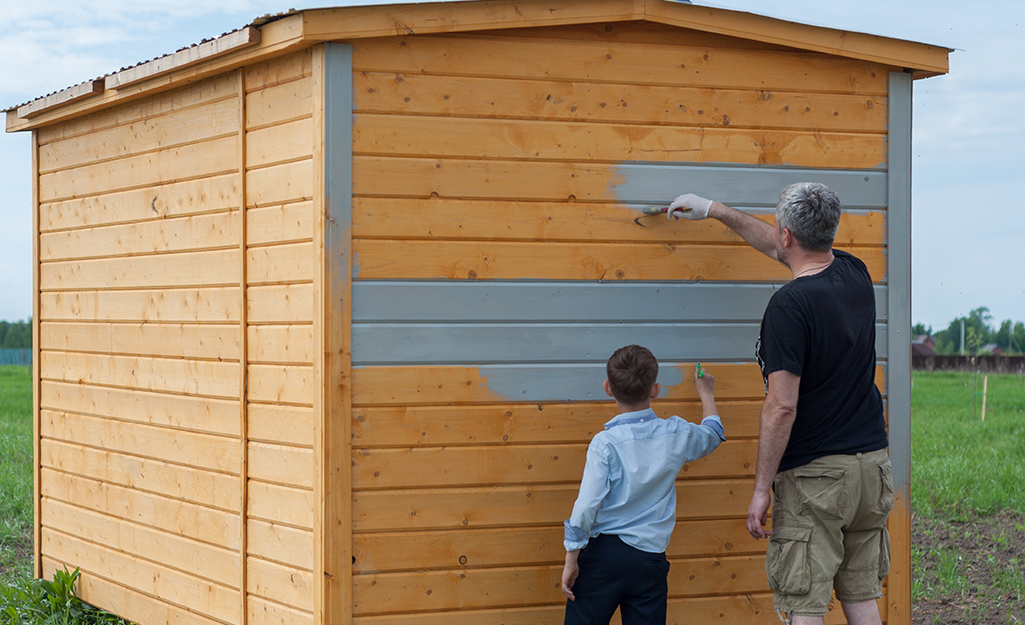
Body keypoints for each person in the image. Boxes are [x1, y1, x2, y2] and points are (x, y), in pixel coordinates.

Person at [666, 184, 893, 625]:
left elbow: (781, 407)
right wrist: (713, 209)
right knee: (862, 598)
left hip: (818, 478)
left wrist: (759, 490)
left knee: (803, 602)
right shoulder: (854, 272)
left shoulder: (789, 307)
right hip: (872, 470)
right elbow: (781, 247)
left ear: (787, 234)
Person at [560, 345, 725, 625]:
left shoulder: (605, 443)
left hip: (603, 558)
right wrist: (705, 392)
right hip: (650, 559)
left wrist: (571, 558)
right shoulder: (675, 432)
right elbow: (713, 433)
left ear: (607, 388)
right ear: (655, 389)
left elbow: (586, 505)